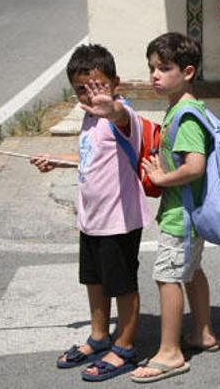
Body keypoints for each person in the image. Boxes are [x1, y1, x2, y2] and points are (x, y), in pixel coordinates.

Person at [31, 44, 151, 382]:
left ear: (115, 83)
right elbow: (92, 159)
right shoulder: (87, 116)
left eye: (97, 86)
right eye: (81, 89)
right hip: (92, 219)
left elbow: (122, 119)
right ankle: (100, 336)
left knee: (122, 284)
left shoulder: (122, 113)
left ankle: (125, 346)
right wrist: (58, 160)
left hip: (119, 219)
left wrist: (109, 107)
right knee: (94, 280)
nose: (88, 94)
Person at [129, 32, 219, 383]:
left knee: (167, 277)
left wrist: (160, 177)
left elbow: (194, 166)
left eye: (164, 68)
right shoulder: (185, 108)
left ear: (188, 71)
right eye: (152, 67)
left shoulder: (186, 115)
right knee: (192, 271)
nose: (155, 75)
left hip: (180, 214)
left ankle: (170, 352)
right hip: (189, 213)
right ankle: (203, 332)